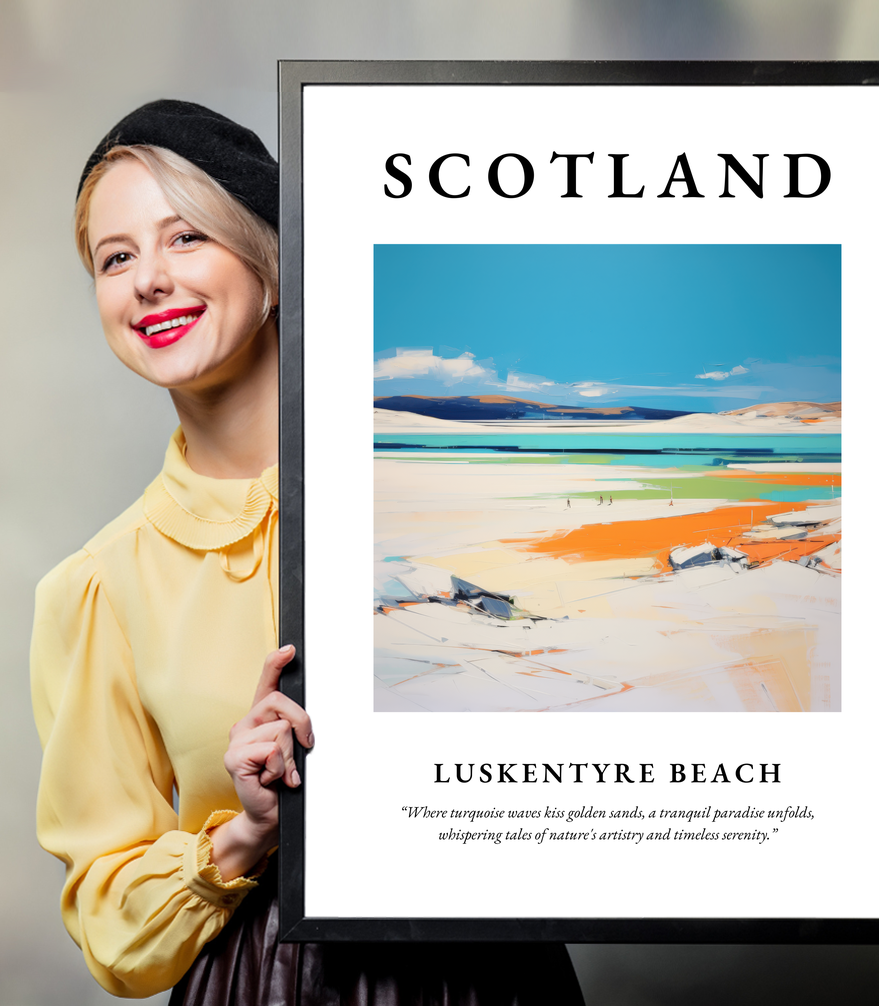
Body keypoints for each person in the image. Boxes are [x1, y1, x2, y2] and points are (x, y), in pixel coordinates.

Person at [30, 100, 585, 1004]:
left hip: (493, 973)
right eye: (116, 257)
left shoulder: (441, 501)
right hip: (263, 981)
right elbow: (110, 924)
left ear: (273, 264)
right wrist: (245, 832)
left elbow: (603, 683)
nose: (148, 281)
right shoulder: (97, 587)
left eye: (186, 239)